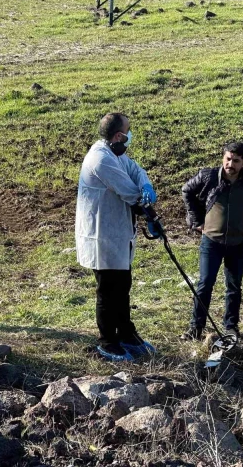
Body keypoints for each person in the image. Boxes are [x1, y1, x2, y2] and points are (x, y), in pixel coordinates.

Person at [75, 113, 158, 362]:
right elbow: (128, 191)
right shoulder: (101, 159)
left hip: (118, 234)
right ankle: (108, 341)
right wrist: (149, 212)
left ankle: (126, 333)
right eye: (128, 131)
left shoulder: (116, 154)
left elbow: (135, 170)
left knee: (122, 287)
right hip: (102, 235)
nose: (131, 135)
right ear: (119, 135)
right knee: (108, 290)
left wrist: (146, 185)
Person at [180, 142, 243, 342]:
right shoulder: (208, 176)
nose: (230, 164)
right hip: (211, 242)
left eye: (236, 161)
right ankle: (195, 328)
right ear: (223, 158)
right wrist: (196, 221)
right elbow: (186, 191)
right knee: (205, 284)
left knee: (234, 286)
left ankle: (230, 327)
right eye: (228, 159)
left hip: (238, 243)